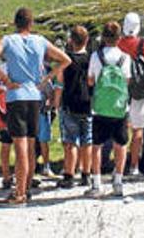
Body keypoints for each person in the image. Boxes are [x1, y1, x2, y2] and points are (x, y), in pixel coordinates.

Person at [0, 8, 71, 206]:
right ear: (31, 24)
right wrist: (47, 77)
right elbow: (66, 59)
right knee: (31, 145)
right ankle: (27, 188)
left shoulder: (7, 40)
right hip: (35, 96)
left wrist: (4, 78)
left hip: (16, 96)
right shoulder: (40, 41)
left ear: (15, 23)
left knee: (20, 147)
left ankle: (19, 193)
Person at [85, 22, 131, 197]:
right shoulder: (125, 58)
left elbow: (90, 80)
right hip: (120, 107)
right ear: (119, 38)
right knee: (121, 144)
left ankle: (96, 184)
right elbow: (127, 81)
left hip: (100, 108)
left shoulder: (96, 57)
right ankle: (118, 182)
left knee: (96, 145)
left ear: (103, 37)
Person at [117, 12, 144, 178]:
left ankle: (119, 166)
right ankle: (134, 166)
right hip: (140, 91)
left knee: (121, 129)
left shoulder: (117, 44)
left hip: (120, 90)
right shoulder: (143, 44)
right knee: (138, 131)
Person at [55, 26, 92, 189]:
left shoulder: (66, 60)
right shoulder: (92, 59)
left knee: (71, 141)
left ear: (71, 40)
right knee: (87, 140)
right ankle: (86, 174)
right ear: (87, 40)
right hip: (88, 103)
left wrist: (56, 101)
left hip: (70, 103)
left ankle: (69, 175)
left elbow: (59, 83)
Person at [36, 68, 60, 179]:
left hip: (36, 112)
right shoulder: (43, 76)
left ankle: (45, 166)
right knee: (42, 141)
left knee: (41, 141)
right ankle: (44, 166)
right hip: (40, 111)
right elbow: (51, 94)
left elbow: (51, 95)